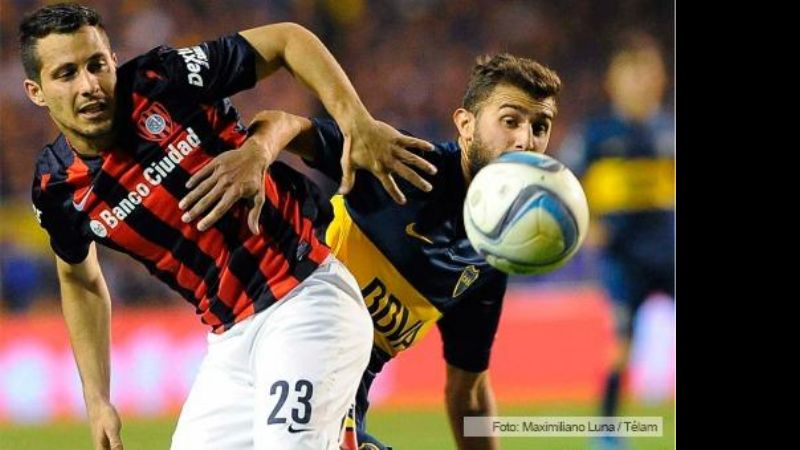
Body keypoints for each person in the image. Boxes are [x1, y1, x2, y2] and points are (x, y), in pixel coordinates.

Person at [20, 3, 436, 450]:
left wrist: (356, 123)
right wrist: (97, 399)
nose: (89, 85)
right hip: (230, 342)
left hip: (305, 300)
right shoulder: (57, 188)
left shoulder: (163, 80)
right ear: (36, 91)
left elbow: (288, 40)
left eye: (97, 65)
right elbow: (79, 278)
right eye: (66, 74)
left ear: (113, 61)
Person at [182, 53, 563, 450]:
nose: (525, 141)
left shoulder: (489, 257)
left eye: (540, 127)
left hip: (336, 405)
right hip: (272, 349)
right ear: (466, 125)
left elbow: (469, 391)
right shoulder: (403, 163)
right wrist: (257, 153)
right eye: (510, 121)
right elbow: (286, 124)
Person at [559, 31, 674, 450]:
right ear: (613, 81)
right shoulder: (595, 136)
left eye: (648, 73)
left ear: (660, 79)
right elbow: (562, 186)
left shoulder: (669, 130)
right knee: (622, 344)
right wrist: (587, 225)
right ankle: (607, 431)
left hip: (670, 252)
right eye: (632, 74)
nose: (641, 83)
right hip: (623, 259)